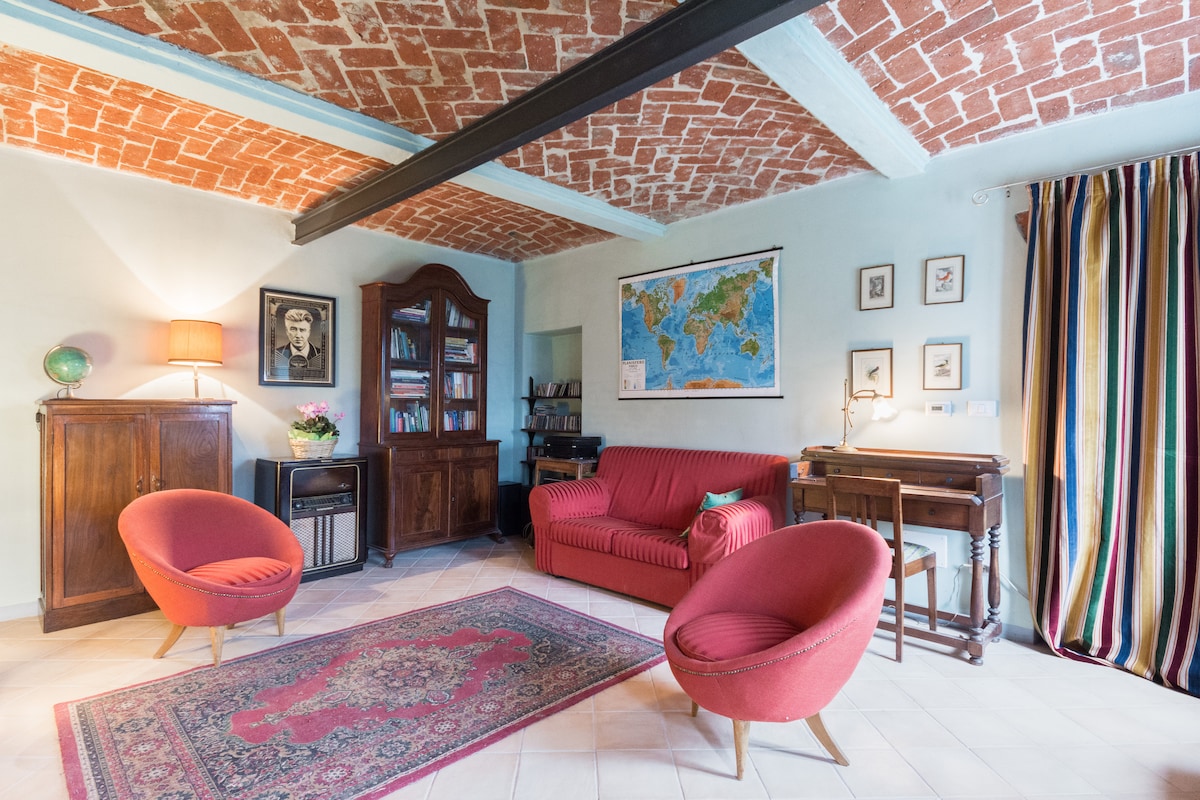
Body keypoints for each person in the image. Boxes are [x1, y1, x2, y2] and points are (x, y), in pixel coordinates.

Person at [272, 308, 324, 378]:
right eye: (293, 329)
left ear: (309, 332)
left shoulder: (321, 355)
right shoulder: (276, 355)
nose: (298, 335)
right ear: (287, 331)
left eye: (302, 330)